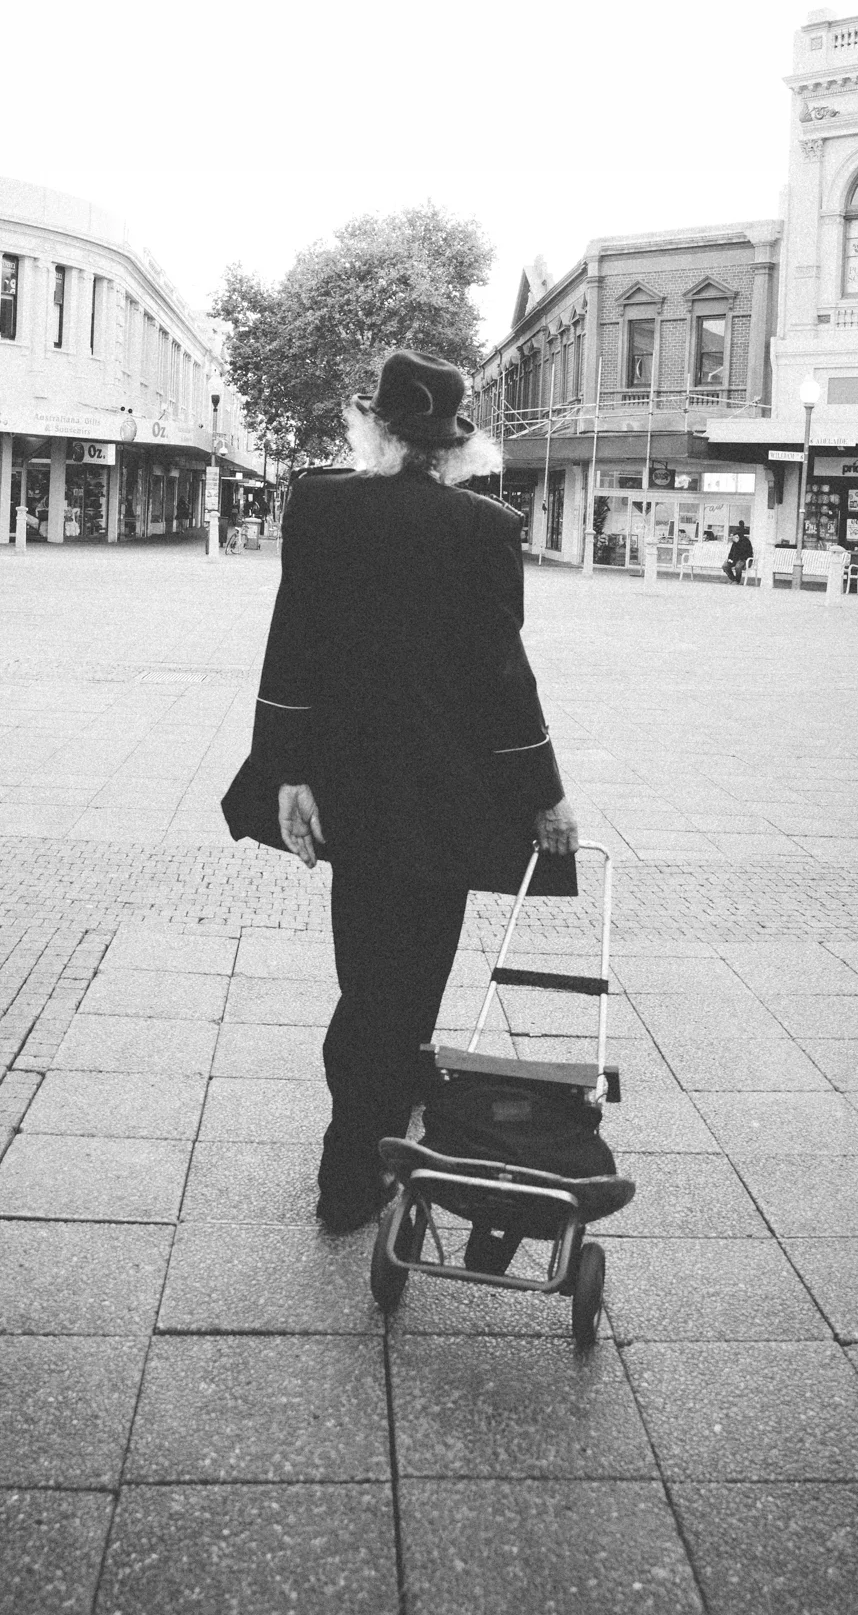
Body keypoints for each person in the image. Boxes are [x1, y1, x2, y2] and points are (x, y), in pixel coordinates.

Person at [222, 349, 579, 1234]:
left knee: (367, 967)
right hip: (446, 798)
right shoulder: (485, 528)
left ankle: (393, 1086)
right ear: (454, 444)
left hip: (349, 790)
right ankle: (354, 1161)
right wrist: (544, 790)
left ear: (373, 427)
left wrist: (288, 771)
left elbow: (291, 649)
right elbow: (502, 678)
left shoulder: (320, 506)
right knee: (411, 972)